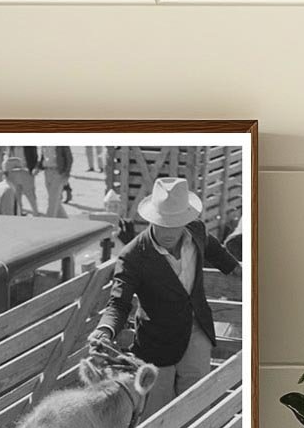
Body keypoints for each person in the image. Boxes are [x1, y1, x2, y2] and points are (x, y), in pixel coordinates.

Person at [88, 177, 240, 415]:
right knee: (156, 412)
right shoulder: (132, 256)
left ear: (187, 219)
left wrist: (233, 267)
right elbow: (118, 303)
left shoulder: (197, 230)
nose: (169, 230)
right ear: (151, 218)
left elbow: (212, 247)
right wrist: (105, 329)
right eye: (163, 222)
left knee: (197, 401)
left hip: (196, 328)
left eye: (176, 222)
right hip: (157, 342)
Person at [40, 146, 72, 218]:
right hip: (47, 171)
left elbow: (69, 158)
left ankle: (49, 222)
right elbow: (43, 157)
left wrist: (67, 173)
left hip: (58, 172)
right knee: (55, 200)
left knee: (53, 200)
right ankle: (65, 221)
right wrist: (38, 167)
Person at [9, 146, 40, 215]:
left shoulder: (30, 146)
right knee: (16, 196)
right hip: (14, 172)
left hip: (26, 172)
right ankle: (19, 213)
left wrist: (34, 168)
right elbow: (9, 156)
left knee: (30, 195)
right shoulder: (12, 146)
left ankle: (36, 213)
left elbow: (35, 157)